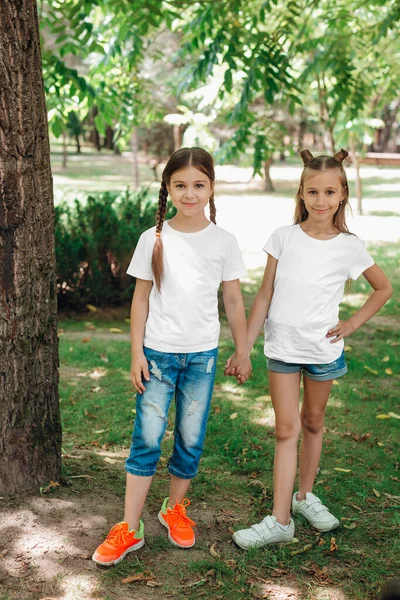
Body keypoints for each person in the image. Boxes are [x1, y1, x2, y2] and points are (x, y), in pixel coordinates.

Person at [92, 147, 252, 565]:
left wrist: (244, 347)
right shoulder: (154, 238)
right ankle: (130, 527)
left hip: (202, 357)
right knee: (145, 440)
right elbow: (140, 300)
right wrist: (135, 354)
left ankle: (173, 508)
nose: (190, 193)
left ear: (212, 187)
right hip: (158, 356)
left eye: (199, 184)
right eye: (180, 185)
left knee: (190, 438)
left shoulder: (224, 241)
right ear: (167, 188)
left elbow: (233, 300)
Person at [229, 149, 393, 550]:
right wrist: (246, 347)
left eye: (329, 192)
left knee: (314, 423)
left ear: (342, 196)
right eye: (313, 192)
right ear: (301, 194)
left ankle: (304, 498)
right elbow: (264, 295)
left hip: (323, 353)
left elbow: (383, 288)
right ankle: (280, 519)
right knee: (286, 430)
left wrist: (352, 323)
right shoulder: (283, 238)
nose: (321, 201)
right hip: (282, 349)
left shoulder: (350, 246)